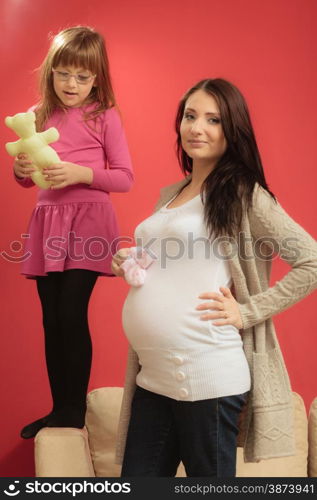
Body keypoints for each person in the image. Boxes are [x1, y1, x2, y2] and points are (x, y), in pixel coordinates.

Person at [111, 78, 317, 477]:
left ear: (232, 130)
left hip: (205, 377)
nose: (196, 128)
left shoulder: (244, 193)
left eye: (212, 119)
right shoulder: (173, 193)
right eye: (190, 116)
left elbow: (312, 261)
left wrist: (247, 311)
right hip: (154, 377)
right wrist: (132, 263)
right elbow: (181, 264)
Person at [13, 26, 134, 439]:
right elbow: (29, 180)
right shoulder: (38, 115)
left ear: (96, 79)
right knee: (51, 319)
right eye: (65, 74)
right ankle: (58, 408)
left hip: (88, 222)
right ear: (51, 72)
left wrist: (81, 172)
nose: (72, 84)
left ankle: (74, 411)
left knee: (70, 313)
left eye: (83, 77)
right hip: (48, 221)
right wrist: (21, 171)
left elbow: (124, 178)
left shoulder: (104, 115)